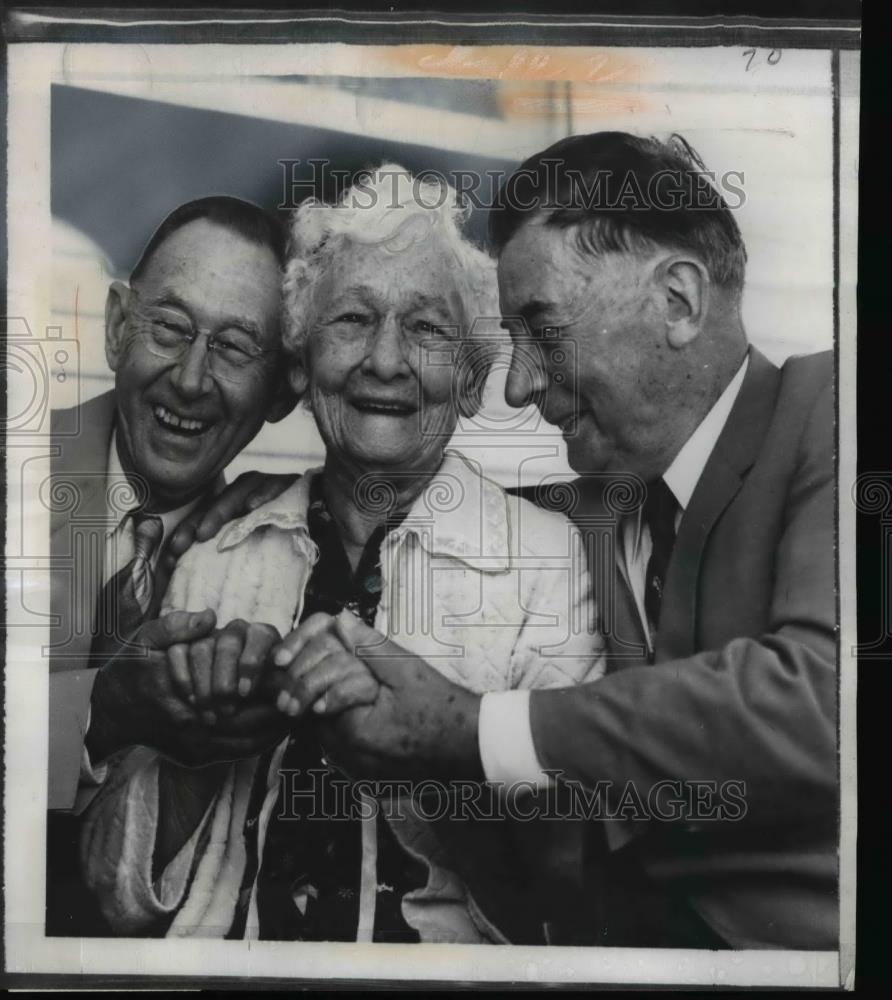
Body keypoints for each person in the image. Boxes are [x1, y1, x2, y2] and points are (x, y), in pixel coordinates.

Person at [270, 132, 837, 950]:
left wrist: (471, 730)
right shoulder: (588, 515)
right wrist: (238, 507)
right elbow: (421, 497)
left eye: (542, 327)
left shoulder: (838, 412)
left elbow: (826, 703)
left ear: (677, 301)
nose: (518, 382)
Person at [80, 166, 605, 943]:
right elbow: (113, 900)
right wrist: (195, 753)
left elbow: (574, 885)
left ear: (470, 379)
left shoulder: (548, 566)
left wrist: (432, 755)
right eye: (353, 320)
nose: (385, 361)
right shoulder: (217, 549)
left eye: (426, 329)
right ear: (299, 363)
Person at [47, 196, 296, 932]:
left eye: (235, 348)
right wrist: (103, 710)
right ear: (119, 325)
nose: (190, 379)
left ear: (283, 390)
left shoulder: (266, 557)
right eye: (171, 329)